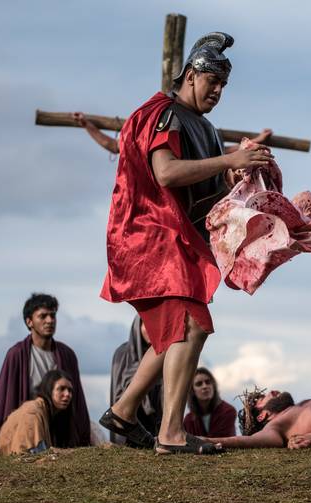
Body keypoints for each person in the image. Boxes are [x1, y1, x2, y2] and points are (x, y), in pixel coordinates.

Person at [99, 31, 273, 455]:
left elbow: (202, 196)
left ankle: (123, 410)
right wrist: (230, 159)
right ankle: (170, 433)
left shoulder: (206, 129)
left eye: (223, 85)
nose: (217, 91)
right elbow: (166, 173)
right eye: (212, 81)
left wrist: (234, 178)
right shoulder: (165, 114)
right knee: (192, 324)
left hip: (179, 236)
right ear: (191, 75)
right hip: (152, 234)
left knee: (179, 327)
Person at [0, 293, 90, 446]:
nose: (49, 320)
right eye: (43, 316)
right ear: (29, 321)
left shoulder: (67, 354)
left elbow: (77, 399)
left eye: (53, 315)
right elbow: (7, 397)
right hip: (29, 424)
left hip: (60, 425)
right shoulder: (16, 354)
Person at [72, 111, 274, 156]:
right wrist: (87, 124)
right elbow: (114, 146)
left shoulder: (190, 134)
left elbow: (222, 152)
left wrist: (257, 140)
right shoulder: (146, 136)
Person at [0, 369, 76, 455]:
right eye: (61, 389)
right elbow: (31, 454)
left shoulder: (46, 413)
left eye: (70, 390)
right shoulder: (33, 413)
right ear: (49, 390)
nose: (67, 394)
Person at [109, 315, 163, 444]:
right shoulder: (123, 353)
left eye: (155, 323)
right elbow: (117, 391)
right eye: (146, 323)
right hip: (130, 424)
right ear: (137, 327)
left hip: (156, 423)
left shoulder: (165, 355)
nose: (151, 328)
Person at [184, 367, 236, 437]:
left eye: (208, 382)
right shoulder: (188, 420)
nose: (205, 386)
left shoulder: (228, 411)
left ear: (213, 386)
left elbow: (224, 439)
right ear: (192, 390)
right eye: (199, 384)